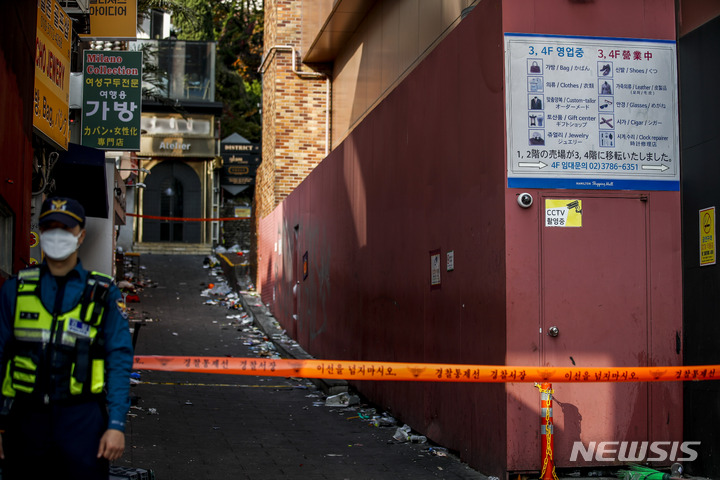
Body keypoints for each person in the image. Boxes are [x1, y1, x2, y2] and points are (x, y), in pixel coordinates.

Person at [0, 196, 134, 479]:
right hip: (25, 418)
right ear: (41, 233)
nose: (57, 236)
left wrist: (117, 424)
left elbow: (119, 360)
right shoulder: (15, 290)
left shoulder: (102, 294)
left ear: (81, 235)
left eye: (66, 228)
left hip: (82, 419)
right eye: (50, 228)